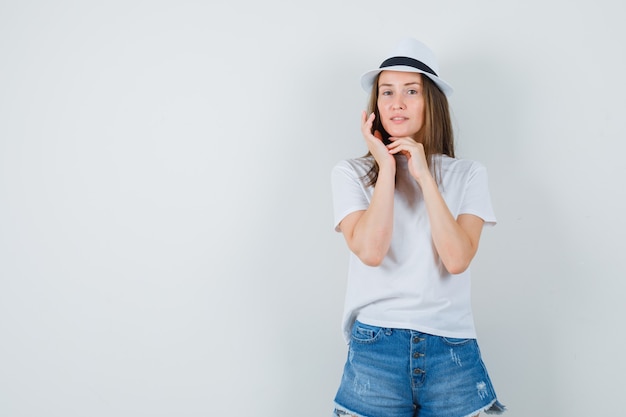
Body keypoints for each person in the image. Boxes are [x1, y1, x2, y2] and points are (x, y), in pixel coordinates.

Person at [330, 38, 506, 417]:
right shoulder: (352, 174)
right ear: (375, 105)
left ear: (431, 102)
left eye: (411, 91)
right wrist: (389, 168)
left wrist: (425, 175)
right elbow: (371, 251)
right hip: (375, 347)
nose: (397, 102)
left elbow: (457, 259)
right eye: (387, 92)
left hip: (452, 352)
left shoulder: (468, 174)